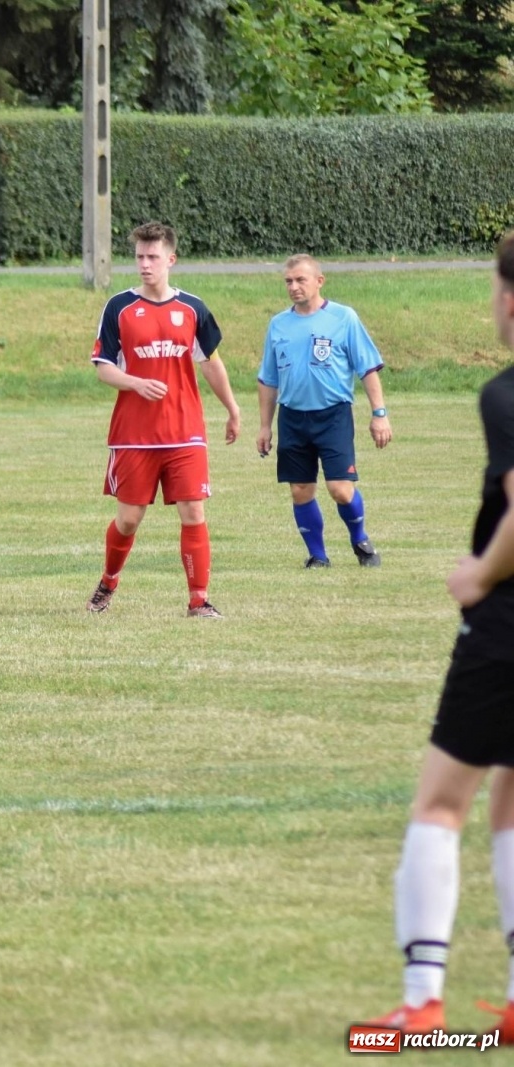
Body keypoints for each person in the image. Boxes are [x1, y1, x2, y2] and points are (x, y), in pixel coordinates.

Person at [363, 232, 514, 1039]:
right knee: (511, 804)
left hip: (506, 628)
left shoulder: (506, 393)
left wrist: (481, 573)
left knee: (441, 803)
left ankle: (422, 1001)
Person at [86, 221, 241, 618]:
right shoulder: (119, 307)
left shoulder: (192, 308)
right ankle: (109, 581)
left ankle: (198, 600)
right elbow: (103, 368)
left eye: (153, 256)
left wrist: (232, 408)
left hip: (184, 430)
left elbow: (211, 363)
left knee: (193, 511)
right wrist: (136, 383)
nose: (144, 264)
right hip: (134, 435)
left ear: (171, 259)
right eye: (139, 256)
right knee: (128, 519)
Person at [256, 254, 390, 568]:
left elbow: (367, 369)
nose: (293, 287)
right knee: (300, 490)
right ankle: (318, 556)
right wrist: (265, 426)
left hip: (333, 415)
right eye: (288, 281)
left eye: (300, 280)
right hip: (292, 417)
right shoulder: (279, 324)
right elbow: (268, 379)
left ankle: (360, 540)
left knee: (341, 490)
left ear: (319, 281)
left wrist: (379, 413)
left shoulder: (344, 318)